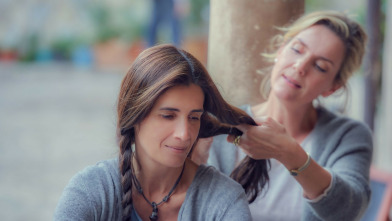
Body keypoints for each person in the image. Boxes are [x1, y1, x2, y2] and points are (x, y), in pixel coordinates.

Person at [53, 44, 269, 221]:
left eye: (193, 117)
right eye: (168, 115)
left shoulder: (223, 200)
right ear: (134, 114)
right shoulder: (92, 190)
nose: (184, 134)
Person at [194, 10, 373, 220]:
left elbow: (349, 211)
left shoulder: (347, 136)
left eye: (320, 66)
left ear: (332, 88)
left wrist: (289, 153)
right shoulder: (221, 126)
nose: (300, 66)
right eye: (297, 50)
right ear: (280, 50)